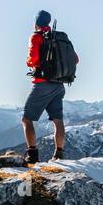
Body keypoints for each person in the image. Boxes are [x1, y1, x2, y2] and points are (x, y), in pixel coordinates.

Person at [22, 10, 67, 164]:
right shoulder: (59, 37)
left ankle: (32, 154)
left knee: (27, 119)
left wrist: (29, 63)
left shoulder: (36, 36)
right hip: (59, 84)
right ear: (48, 22)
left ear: (36, 21)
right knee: (57, 120)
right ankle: (59, 154)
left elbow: (33, 59)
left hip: (42, 84)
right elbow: (75, 59)